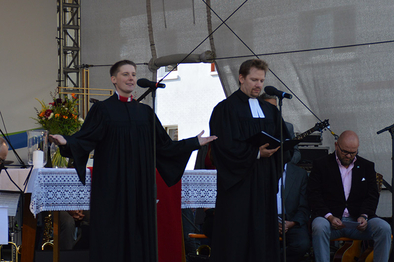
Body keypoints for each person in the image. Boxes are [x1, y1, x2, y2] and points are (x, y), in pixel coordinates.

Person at [50, 59, 217, 262]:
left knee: (140, 234)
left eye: (133, 74)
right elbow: (85, 138)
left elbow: (164, 146)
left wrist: (194, 142)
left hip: (140, 186)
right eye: (125, 74)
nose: (131, 78)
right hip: (112, 186)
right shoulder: (102, 110)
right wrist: (66, 142)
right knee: (112, 235)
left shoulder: (145, 113)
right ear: (114, 79)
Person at [209, 59, 292, 262]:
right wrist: (255, 153)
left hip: (263, 184)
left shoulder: (270, 110)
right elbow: (223, 147)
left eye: (261, 80)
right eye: (254, 79)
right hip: (238, 187)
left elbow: (284, 143)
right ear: (241, 78)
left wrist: (280, 148)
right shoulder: (225, 109)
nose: (258, 85)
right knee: (237, 237)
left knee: (263, 237)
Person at [307, 130, 391, 262]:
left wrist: (364, 215)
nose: (348, 156)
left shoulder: (366, 166)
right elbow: (313, 194)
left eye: (353, 153)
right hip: (329, 221)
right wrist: (329, 216)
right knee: (318, 226)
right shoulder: (321, 164)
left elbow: (372, 195)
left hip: (357, 222)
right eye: (344, 151)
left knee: (384, 228)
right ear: (336, 145)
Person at [277, 162, 310, 262]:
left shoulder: (300, 174)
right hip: (267, 220)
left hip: (292, 221)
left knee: (302, 244)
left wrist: (291, 223)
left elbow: (304, 206)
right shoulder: (261, 170)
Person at [260, 92, 301, 164]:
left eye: (275, 107)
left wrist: (285, 165)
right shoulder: (255, 126)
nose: (273, 110)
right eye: (269, 107)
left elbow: (296, 152)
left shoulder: (288, 127)